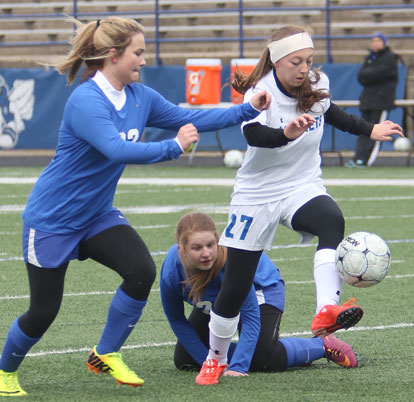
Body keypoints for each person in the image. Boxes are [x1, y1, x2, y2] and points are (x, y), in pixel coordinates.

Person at [0, 17, 271, 397]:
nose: (143, 61)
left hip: (96, 215)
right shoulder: (86, 100)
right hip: (52, 220)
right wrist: (172, 147)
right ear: (113, 55)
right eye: (138, 53)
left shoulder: (140, 97)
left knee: (141, 270)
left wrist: (245, 109)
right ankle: (4, 372)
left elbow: (189, 117)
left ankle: (105, 353)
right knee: (43, 311)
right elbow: (116, 148)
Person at [195, 25, 403, 385]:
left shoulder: (316, 82)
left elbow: (332, 113)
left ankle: (326, 310)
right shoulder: (261, 91)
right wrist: (285, 134)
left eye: (308, 60)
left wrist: (371, 130)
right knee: (235, 287)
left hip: (301, 185)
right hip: (256, 194)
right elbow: (252, 133)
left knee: (330, 220)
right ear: (277, 60)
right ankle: (214, 358)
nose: (304, 68)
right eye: (296, 61)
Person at [160, 212, 357, 383]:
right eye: (197, 248)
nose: (206, 253)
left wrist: (238, 367)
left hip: (262, 289)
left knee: (264, 358)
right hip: (215, 303)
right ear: (181, 250)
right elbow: (177, 320)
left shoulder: (230, 262)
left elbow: (251, 315)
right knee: (185, 358)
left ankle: (321, 345)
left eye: (211, 245)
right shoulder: (171, 269)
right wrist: (208, 362)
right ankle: (231, 355)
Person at [346, 32, 400, 167]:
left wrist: (371, 74)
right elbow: (361, 76)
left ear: (383, 43)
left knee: (377, 131)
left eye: (378, 41)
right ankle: (358, 158)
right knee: (364, 130)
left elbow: (381, 73)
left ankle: (366, 160)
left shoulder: (390, 58)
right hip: (367, 101)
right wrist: (373, 74)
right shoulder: (369, 58)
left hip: (381, 102)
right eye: (373, 41)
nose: (375, 43)